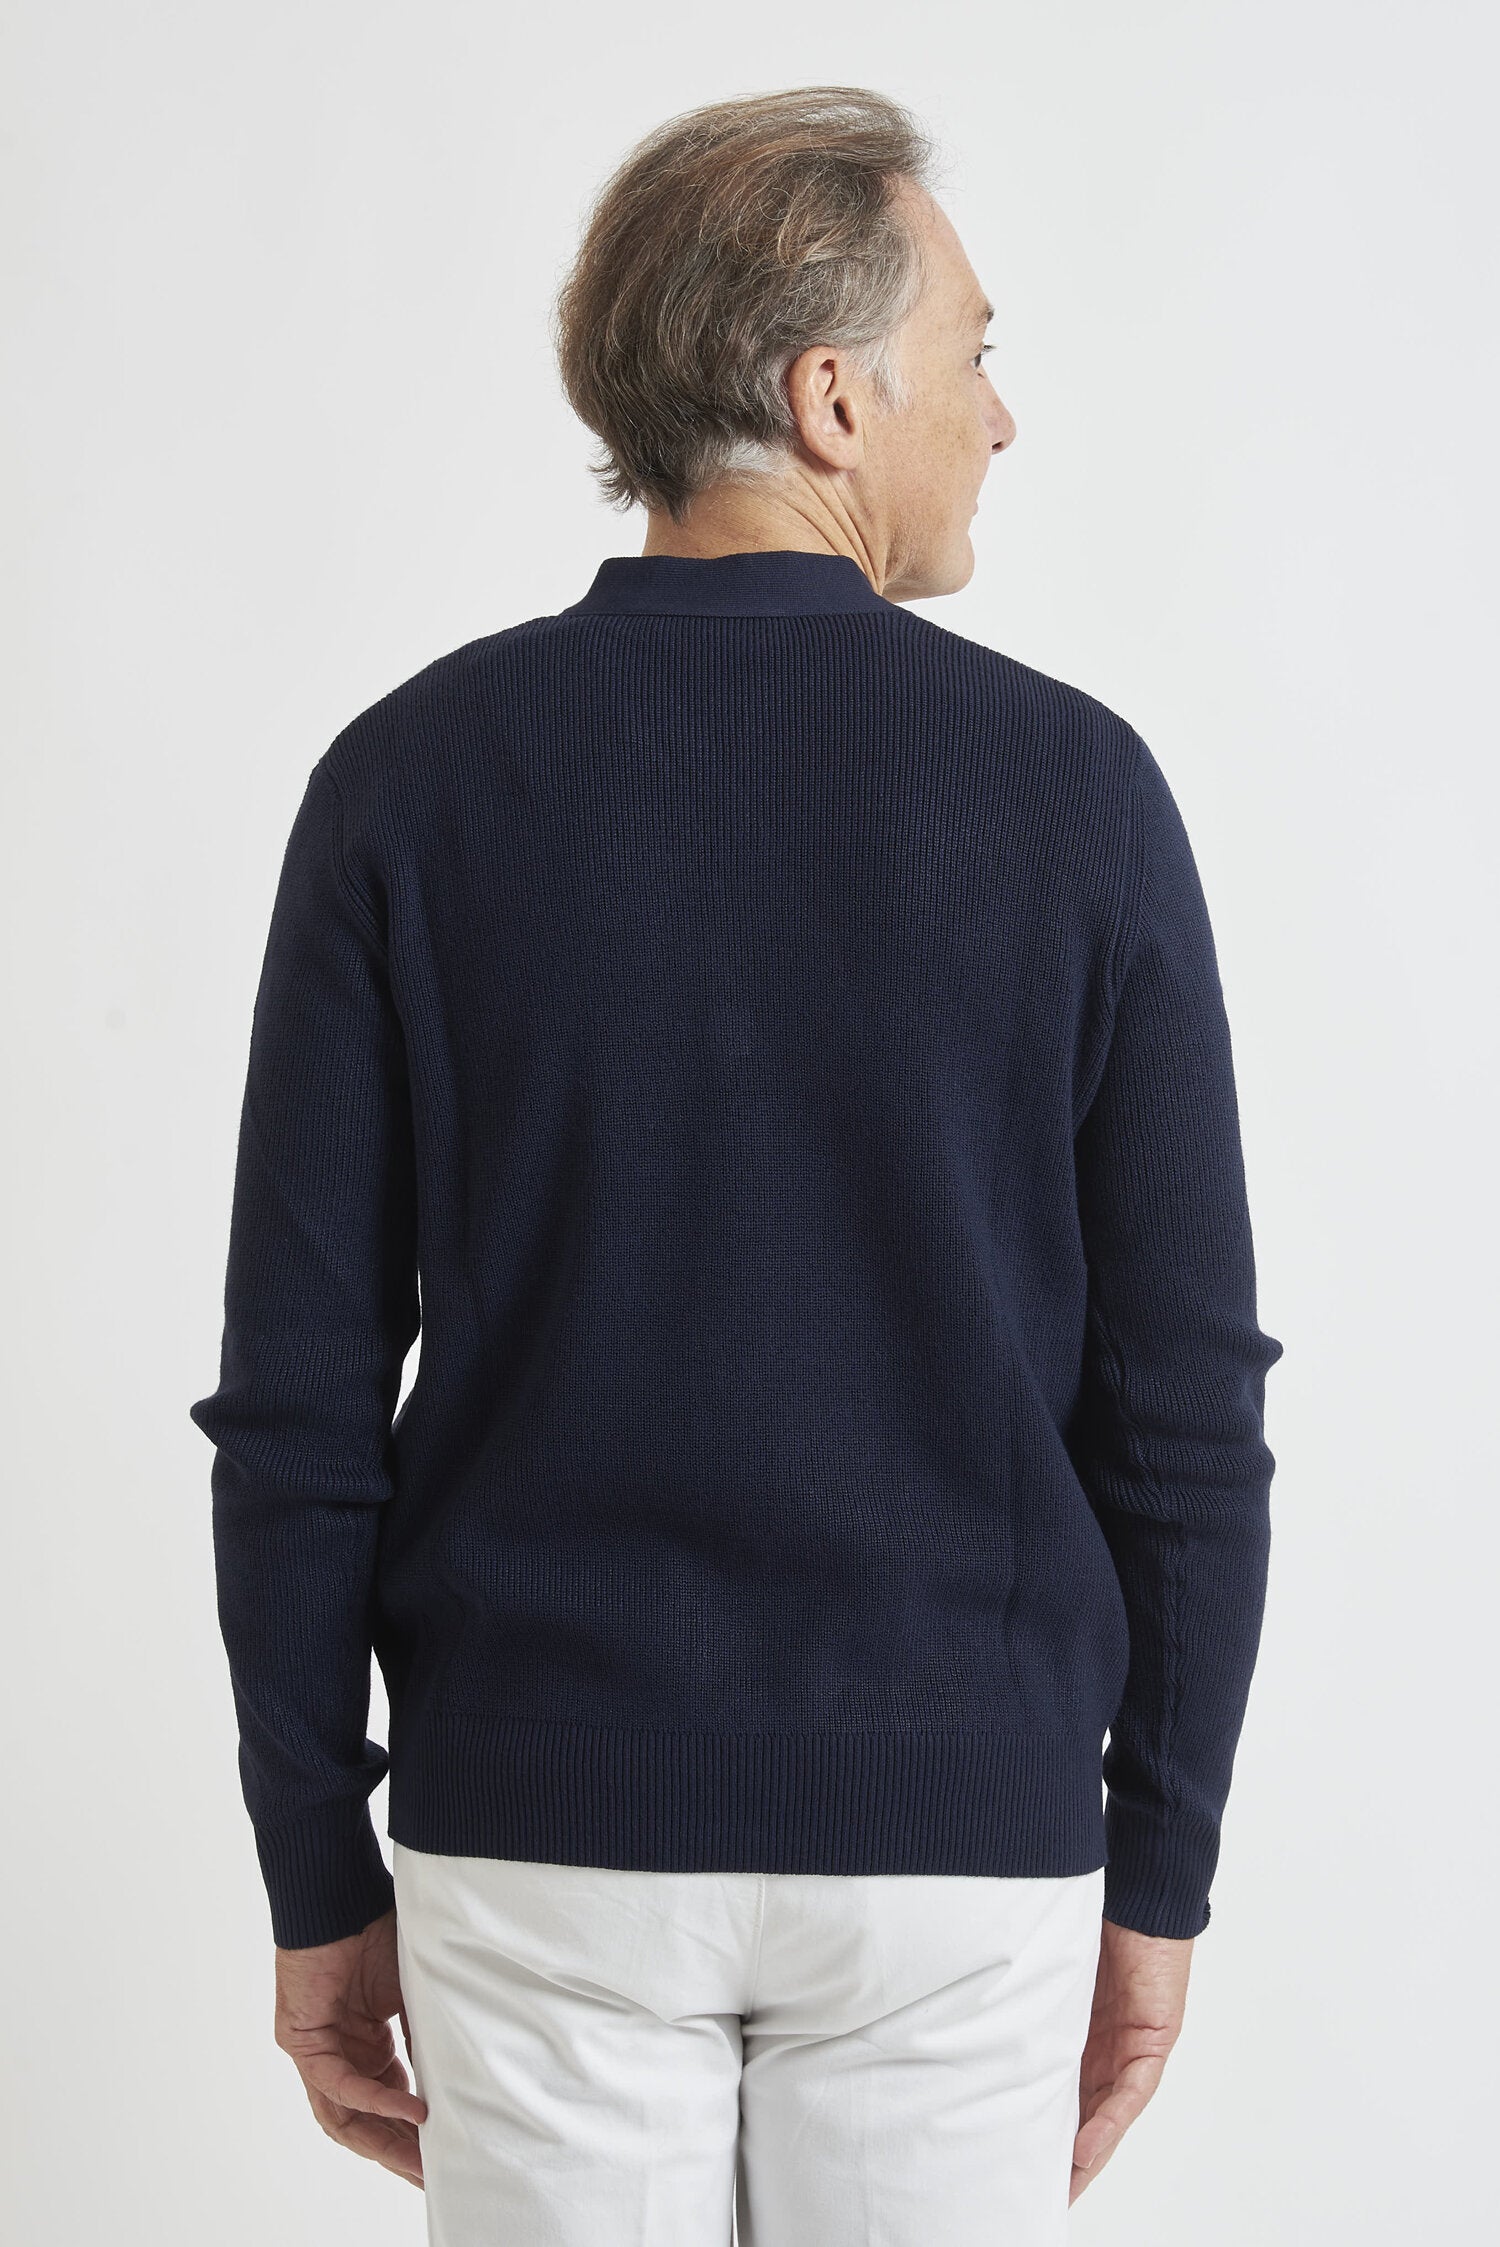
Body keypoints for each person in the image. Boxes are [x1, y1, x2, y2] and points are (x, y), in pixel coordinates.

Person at [189, 84, 1283, 2247]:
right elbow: (1183, 1418)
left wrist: (319, 1872)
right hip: (954, 1848)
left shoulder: (409, 786)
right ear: (831, 396)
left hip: (546, 1837)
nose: (1002, 414)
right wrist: (1159, 1874)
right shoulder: (1074, 797)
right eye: (975, 353)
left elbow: (299, 1415)